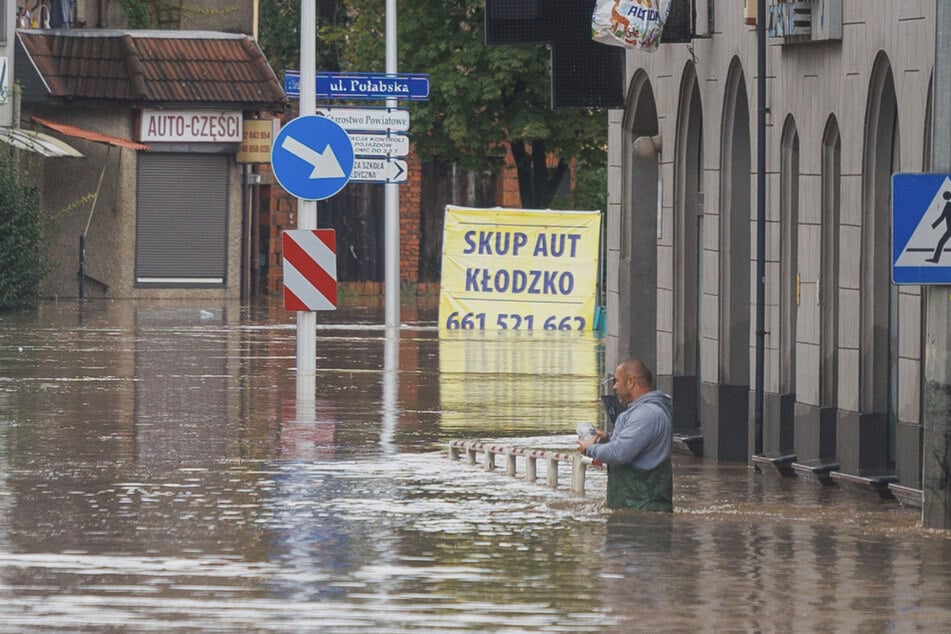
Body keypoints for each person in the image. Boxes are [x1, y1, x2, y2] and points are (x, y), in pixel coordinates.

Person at [578, 358, 673, 512]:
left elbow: (621, 452)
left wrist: (589, 449)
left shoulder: (646, 415)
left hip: (643, 515)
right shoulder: (643, 412)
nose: (614, 387)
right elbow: (634, 446)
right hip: (635, 510)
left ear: (630, 382)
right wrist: (608, 438)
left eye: (616, 381)